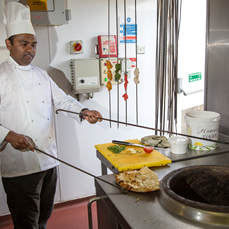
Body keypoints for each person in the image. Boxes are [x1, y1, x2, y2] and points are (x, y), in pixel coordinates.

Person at [0, 2, 102, 229]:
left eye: (33, 44)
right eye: (23, 44)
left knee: (44, 216)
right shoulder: (1, 75)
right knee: (26, 222)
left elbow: (63, 100)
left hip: (48, 160)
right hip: (19, 166)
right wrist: (8, 135)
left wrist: (83, 112)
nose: (30, 50)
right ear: (9, 44)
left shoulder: (41, 75)